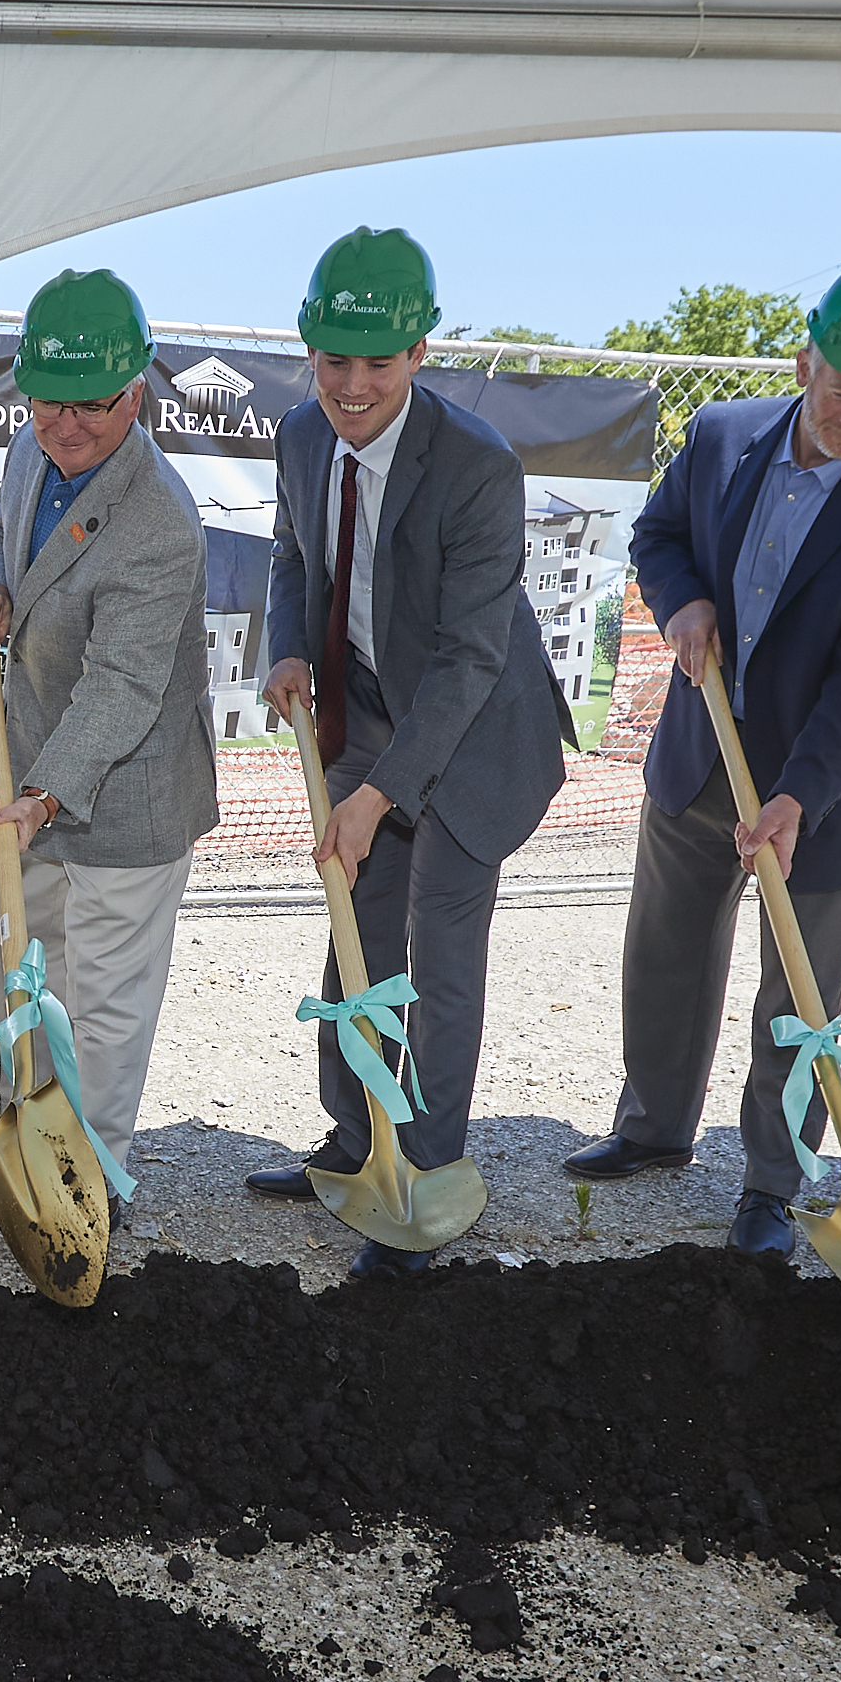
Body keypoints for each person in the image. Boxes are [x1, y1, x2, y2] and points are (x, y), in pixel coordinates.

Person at [570, 253, 841, 1256]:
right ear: (806, 364)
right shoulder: (723, 436)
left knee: (798, 994)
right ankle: (653, 1128)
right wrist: (682, 602)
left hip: (821, 789)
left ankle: (772, 1180)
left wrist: (799, 796)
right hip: (699, 753)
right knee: (665, 954)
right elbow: (659, 534)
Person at [242, 228, 570, 1273]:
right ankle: (354, 1138)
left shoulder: (477, 466)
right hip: (371, 706)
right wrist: (288, 646)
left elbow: (471, 658)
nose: (352, 386)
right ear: (309, 351)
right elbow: (294, 553)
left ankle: (421, 1175)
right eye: (333, 360)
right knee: (356, 925)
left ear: (420, 353)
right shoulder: (301, 434)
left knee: (437, 950)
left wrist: (378, 794)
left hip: (477, 733)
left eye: (378, 363)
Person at [0, 266, 220, 1203]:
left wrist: (40, 798)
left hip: (129, 790)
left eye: (93, 407)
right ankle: (29, 1148)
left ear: (135, 395)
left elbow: (121, 688)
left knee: (104, 1008)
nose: (66, 427)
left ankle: (89, 1188)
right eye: (48, 404)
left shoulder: (160, 522)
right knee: (25, 974)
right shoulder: (31, 451)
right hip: (32, 765)